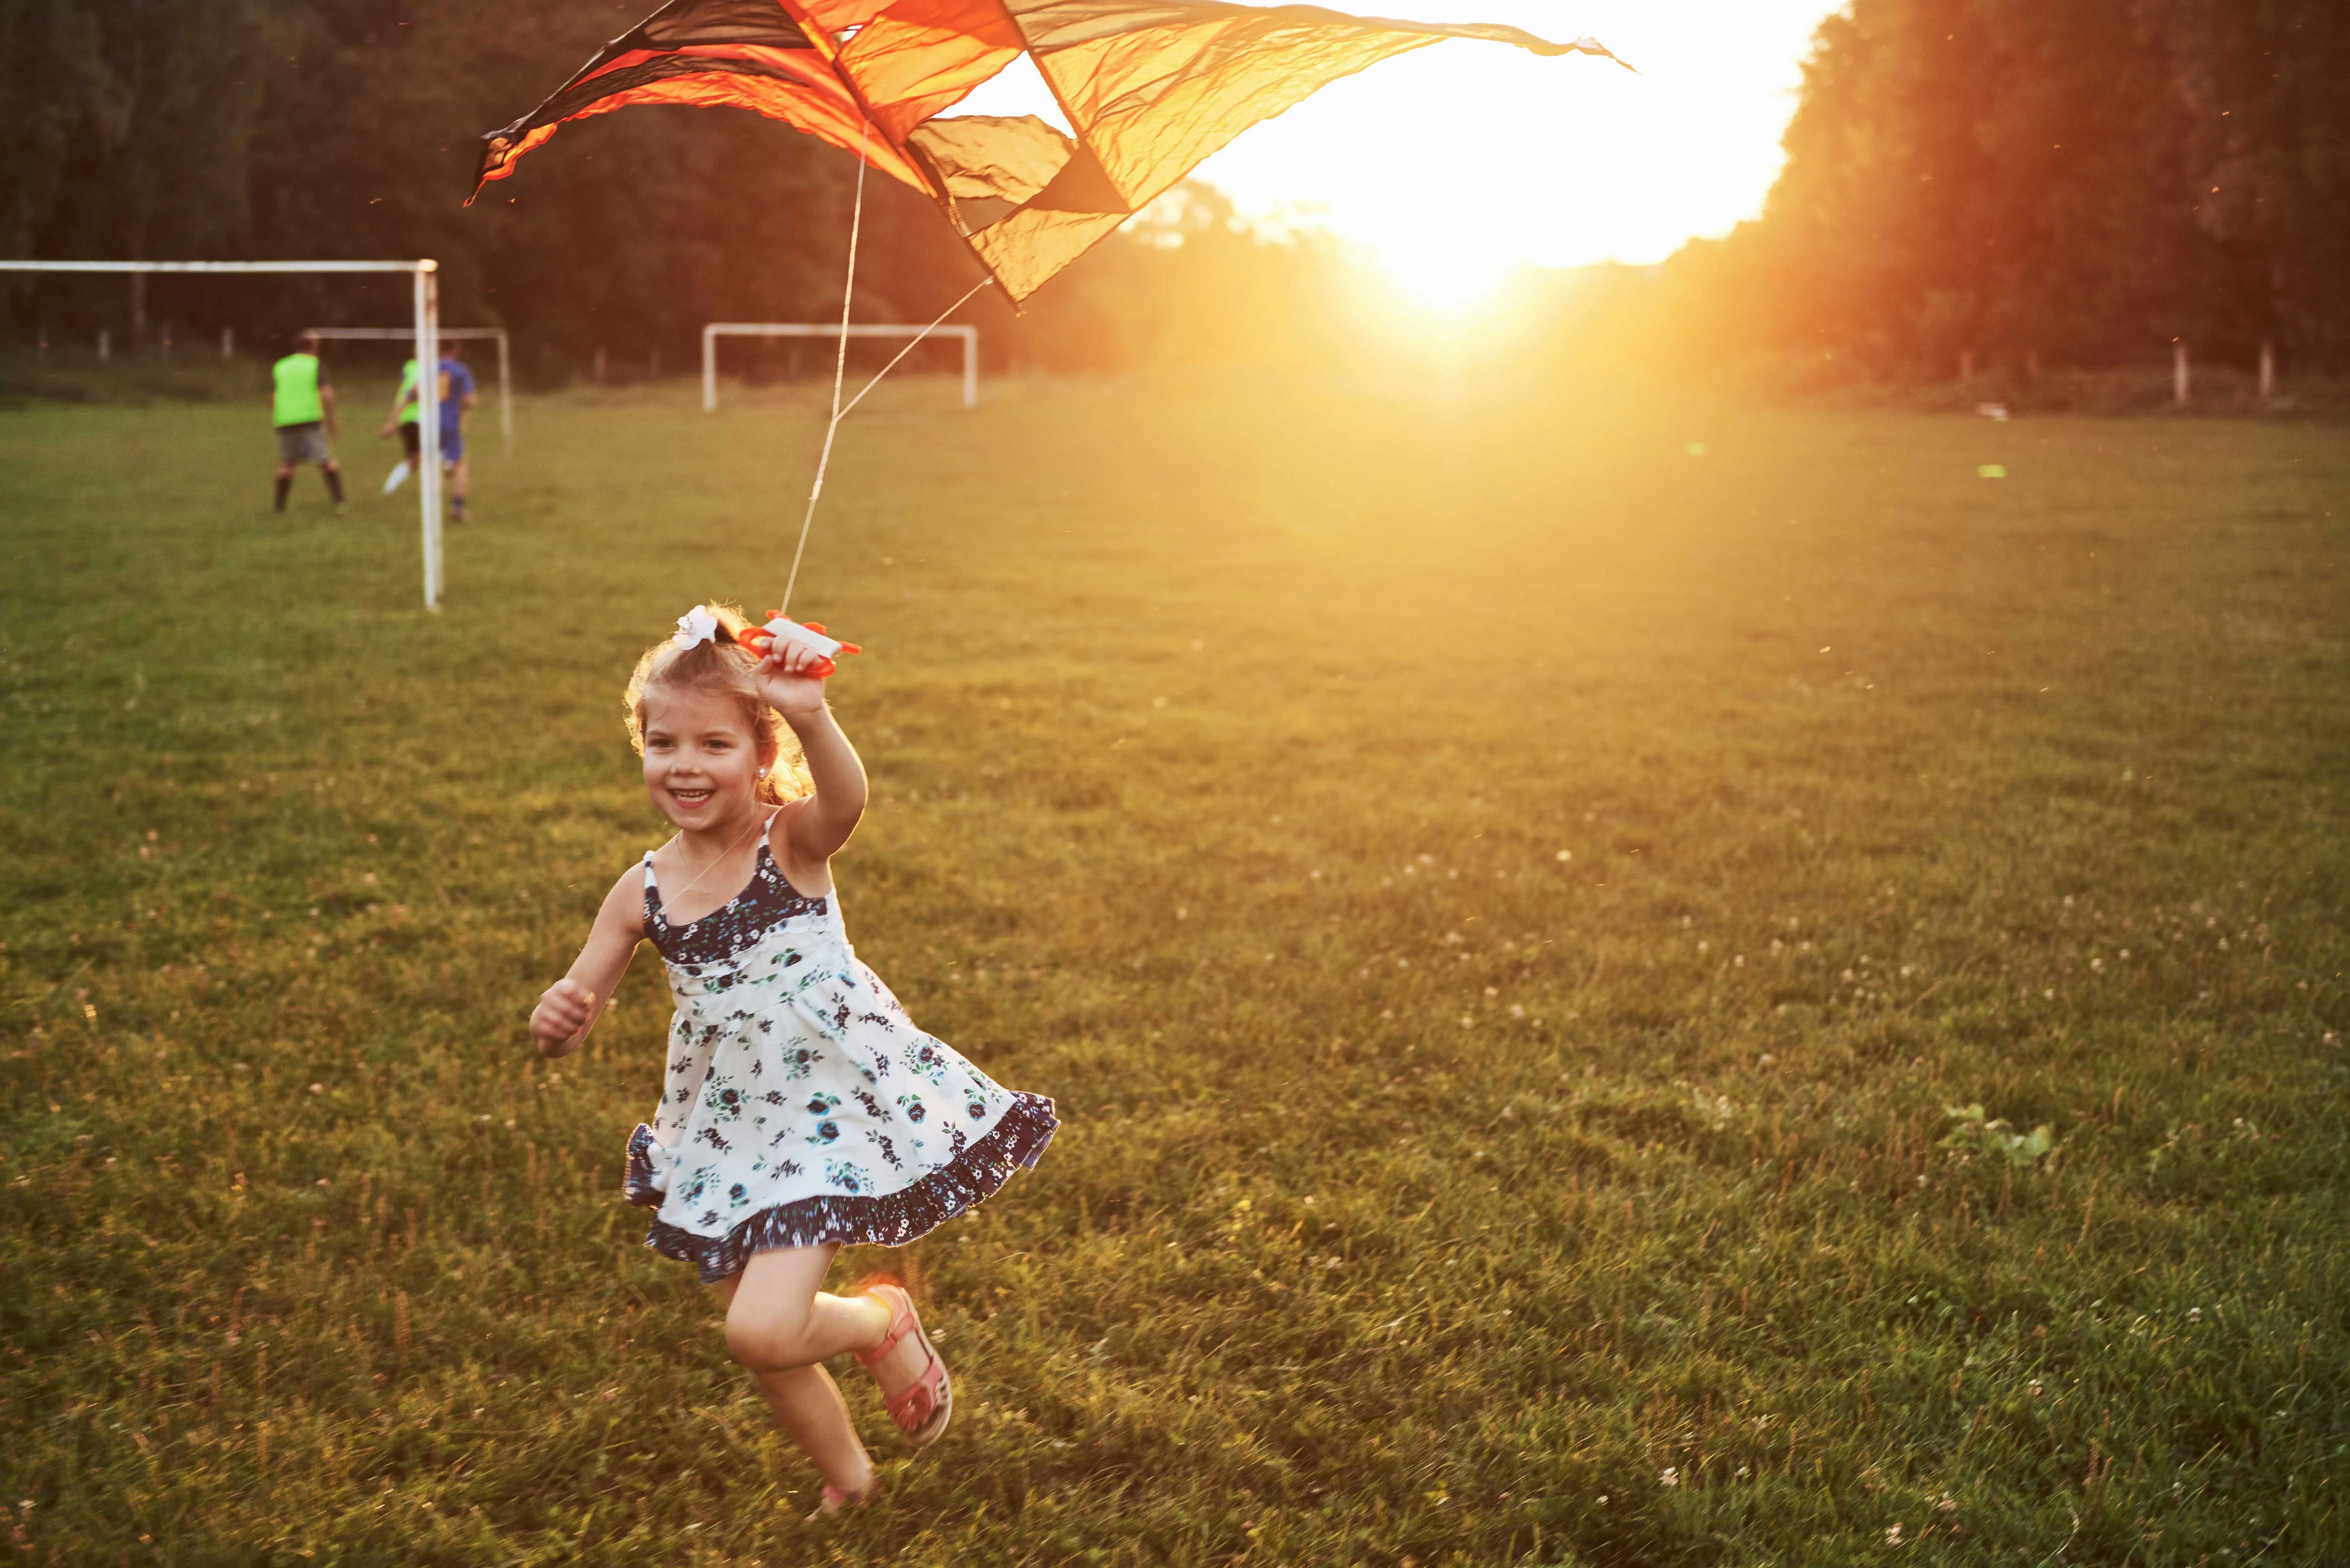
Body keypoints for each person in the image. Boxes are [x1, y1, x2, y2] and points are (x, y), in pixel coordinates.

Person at [527, 603, 1056, 1514]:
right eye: (663, 743)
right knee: (763, 1333)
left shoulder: (787, 843)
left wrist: (808, 710)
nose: (685, 765)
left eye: (714, 744)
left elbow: (846, 801)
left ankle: (872, 1323)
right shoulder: (640, 893)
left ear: (761, 755)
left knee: (759, 1329)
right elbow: (583, 997)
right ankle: (851, 1469)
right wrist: (562, 1017)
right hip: (730, 1131)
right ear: (640, 748)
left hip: (826, 1114)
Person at [382, 341, 478, 519]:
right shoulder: (461, 370)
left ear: (438, 350)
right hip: (450, 422)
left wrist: (392, 422)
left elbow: (410, 395)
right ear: (457, 350)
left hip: (428, 422)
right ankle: (457, 507)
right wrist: (461, 411)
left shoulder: (429, 370)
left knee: (426, 461)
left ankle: (440, 477)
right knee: (460, 465)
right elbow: (469, 400)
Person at [269, 330, 345, 514]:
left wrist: (281, 414)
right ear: (314, 348)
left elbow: (273, 397)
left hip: (285, 420)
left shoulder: (281, 366)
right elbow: (327, 394)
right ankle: (340, 503)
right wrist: (332, 421)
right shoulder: (315, 365)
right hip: (309, 419)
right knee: (327, 462)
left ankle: (279, 509)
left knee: (287, 464)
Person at [378, 355, 423, 495]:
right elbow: (411, 395)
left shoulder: (409, 366)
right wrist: (392, 423)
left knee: (415, 462)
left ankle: (389, 488)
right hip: (416, 419)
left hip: (408, 419)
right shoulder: (427, 371)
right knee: (422, 458)